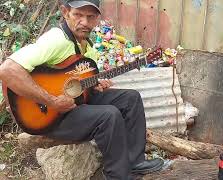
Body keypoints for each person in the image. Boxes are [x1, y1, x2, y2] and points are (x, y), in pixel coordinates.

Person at [0, 0, 163, 179]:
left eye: (90, 16)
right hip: (47, 115)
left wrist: (94, 86)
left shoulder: (88, 46)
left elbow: (78, 86)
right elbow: (8, 70)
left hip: (73, 105)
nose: (85, 22)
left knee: (130, 98)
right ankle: (118, 175)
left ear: (97, 19)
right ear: (65, 12)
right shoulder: (56, 40)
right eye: (78, 15)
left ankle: (135, 162)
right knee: (109, 115)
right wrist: (52, 101)